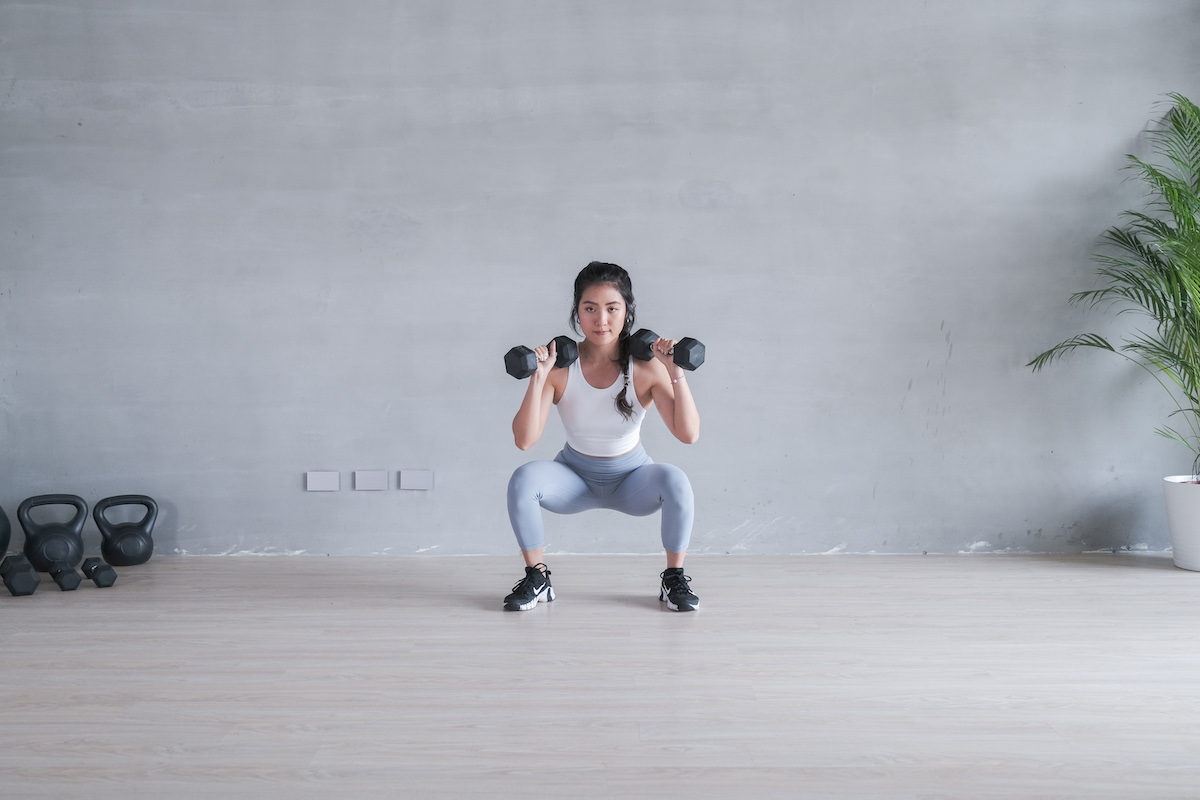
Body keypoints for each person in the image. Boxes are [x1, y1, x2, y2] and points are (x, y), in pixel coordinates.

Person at [504, 261, 701, 612]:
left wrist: (675, 372)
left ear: (627, 311)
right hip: (573, 480)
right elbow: (524, 441)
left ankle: (673, 579)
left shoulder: (645, 368)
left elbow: (688, 434)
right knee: (523, 478)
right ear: (577, 313)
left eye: (612, 309)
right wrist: (538, 378)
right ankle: (537, 577)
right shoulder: (560, 367)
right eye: (590, 309)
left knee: (676, 481)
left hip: (632, 481)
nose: (601, 320)